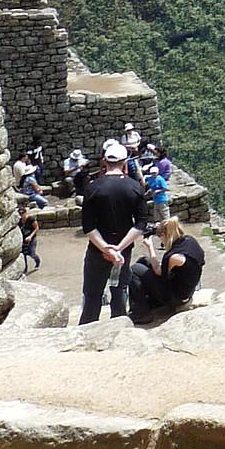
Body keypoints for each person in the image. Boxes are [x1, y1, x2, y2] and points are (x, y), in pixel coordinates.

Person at [79, 138, 148, 323]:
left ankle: (87, 330)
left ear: (104, 161)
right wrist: (118, 248)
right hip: (123, 250)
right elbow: (141, 223)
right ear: (125, 162)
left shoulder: (92, 188)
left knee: (92, 294)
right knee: (119, 291)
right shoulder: (134, 188)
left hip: (97, 250)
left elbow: (88, 227)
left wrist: (106, 249)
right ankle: (119, 327)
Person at [128, 217, 206, 321]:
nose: (161, 241)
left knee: (135, 269)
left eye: (160, 237)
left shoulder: (172, 257)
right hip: (187, 291)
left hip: (176, 298)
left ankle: (141, 313)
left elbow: (158, 271)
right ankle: (149, 302)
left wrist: (150, 247)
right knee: (144, 261)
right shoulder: (190, 241)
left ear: (165, 235)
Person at [18, 196, 40, 274]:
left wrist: (30, 236)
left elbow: (36, 228)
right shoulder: (19, 222)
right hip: (24, 239)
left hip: (32, 238)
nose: (21, 215)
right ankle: (25, 268)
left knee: (32, 253)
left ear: (25, 213)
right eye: (20, 214)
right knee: (23, 254)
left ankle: (37, 262)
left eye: (22, 213)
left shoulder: (31, 219)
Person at [144, 158, 170, 223]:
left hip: (162, 200)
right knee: (157, 216)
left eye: (155, 173)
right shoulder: (150, 178)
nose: (153, 174)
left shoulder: (160, 179)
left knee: (165, 215)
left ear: (157, 172)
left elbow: (166, 188)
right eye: (152, 173)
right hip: (156, 200)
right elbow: (145, 177)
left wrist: (158, 191)